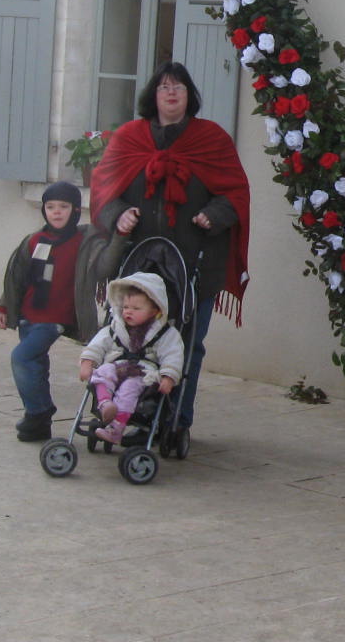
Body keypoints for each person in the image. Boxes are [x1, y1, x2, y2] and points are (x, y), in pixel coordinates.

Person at [87, 61, 251, 440]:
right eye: (164, 87)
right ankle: (126, 416)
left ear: (190, 95)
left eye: (179, 86)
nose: (172, 93)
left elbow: (236, 192)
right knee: (129, 346)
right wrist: (117, 215)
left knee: (187, 348)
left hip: (195, 264)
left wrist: (214, 214)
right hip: (139, 267)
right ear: (153, 95)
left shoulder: (211, 139)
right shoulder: (129, 137)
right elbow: (103, 188)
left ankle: (176, 422)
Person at [0, 181, 86, 442]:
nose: (56, 212)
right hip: (29, 315)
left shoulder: (84, 240)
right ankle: (39, 424)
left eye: (64, 206)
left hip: (55, 318)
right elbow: (17, 277)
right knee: (36, 365)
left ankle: (39, 412)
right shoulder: (35, 240)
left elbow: (106, 257)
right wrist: (3, 306)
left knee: (22, 357)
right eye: (50, 207)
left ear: (76, 210)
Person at [78, 273, 184, 444]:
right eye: (126, 307)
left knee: (128, 388)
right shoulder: (115, 328)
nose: (128, 311)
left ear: (155, 311)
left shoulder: (165, 334)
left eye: (136, 309)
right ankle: (105, 405)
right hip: (118, 366)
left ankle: (115, 429)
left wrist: (169, 376)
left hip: (143, 373)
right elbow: (98, 344)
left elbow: (173, 355)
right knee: (103, 371)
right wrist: (88, 362)